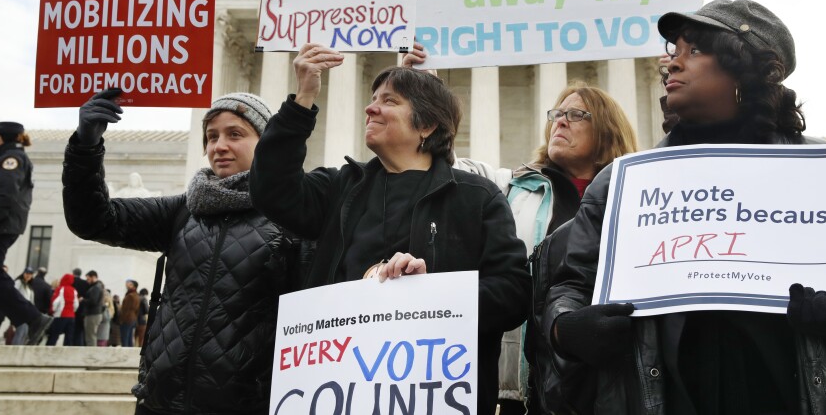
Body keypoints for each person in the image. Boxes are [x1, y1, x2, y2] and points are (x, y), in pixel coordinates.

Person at [544, 0, 826, 413]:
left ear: (746, 69)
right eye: (675, 51)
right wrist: (566, 328)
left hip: (783, 390)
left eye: (694, 51)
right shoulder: (623, 180)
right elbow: (570, 285)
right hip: (671, 394)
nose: (672, 63)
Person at [250, 43, 531, 415]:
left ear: (427, 125)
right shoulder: (340, 187)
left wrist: (430, 291)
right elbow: (271, 191)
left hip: (432, 397)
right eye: (372, 98)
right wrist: (302, 99)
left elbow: (513, 293)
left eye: (390, 101)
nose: (370, 108)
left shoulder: (477, 198)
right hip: (339, 389)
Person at [404, 47, 639, 414]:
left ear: (608, 130)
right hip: (522, 386)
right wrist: (426, 97)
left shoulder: (634, 200)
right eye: (557, 114)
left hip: (604, 381)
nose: (559, 122)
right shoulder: (512, 186)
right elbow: (446, 165)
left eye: (576, 114)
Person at [63, 89, 301, 415]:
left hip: (246, 405)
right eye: (211, 136)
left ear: (267, 142)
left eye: (235, 134)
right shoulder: (182, 211)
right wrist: (86, 146)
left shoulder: (293, 217)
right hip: (161, 402)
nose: (219, 146)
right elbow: (93, 220)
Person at [0, 121, 53, 345]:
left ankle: (33, 318)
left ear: (5, 137)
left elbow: (6, 195)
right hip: (0, 224)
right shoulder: (8, 158)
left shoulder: (11, 160)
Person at [46, 273, 79, 346]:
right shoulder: (74, 290)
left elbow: (55, 302)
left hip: (60, 315)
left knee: (54, 335)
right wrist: (72, 311)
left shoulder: (60, 289)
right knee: (69, 337)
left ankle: (48, 351)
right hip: (71, 316)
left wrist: (52, 311)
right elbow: (76, 304)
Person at [10, 266, 36, 344]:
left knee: (24, 333)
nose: (28, 275)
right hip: (20, 311)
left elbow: (31, 301)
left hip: (27, 312)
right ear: (23, 273)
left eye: (30, 274)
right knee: (20, 332)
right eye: (27, 273)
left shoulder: (29, 286)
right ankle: (15, 350)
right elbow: (13, 294)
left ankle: (19, 350)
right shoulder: (19, 282)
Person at [81, 270, 105, 346]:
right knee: (91, 335)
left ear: (93, 277)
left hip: (93, 314)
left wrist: (82, 300)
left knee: (90, 336)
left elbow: (93, 301)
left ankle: (90, 354)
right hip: (95, 313)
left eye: (88, 279)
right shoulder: (98, 287)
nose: (87, 281)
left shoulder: (96, 288)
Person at [71, 267, 89, 345]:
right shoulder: (85, 283)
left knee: (70, 330)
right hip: (81, 310)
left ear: (73, 273)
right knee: (79, 331)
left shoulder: (71, 282)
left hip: (71, 309)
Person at [118, 279, 139, 347]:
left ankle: (125, 354)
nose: (127, 285)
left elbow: (126, 310)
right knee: (129, 338)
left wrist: (122, 320)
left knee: (125, 338)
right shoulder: (136, 295)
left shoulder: (130, 296)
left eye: (130, 284)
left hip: (127, 319)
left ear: (134, 287)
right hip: (132, 318)